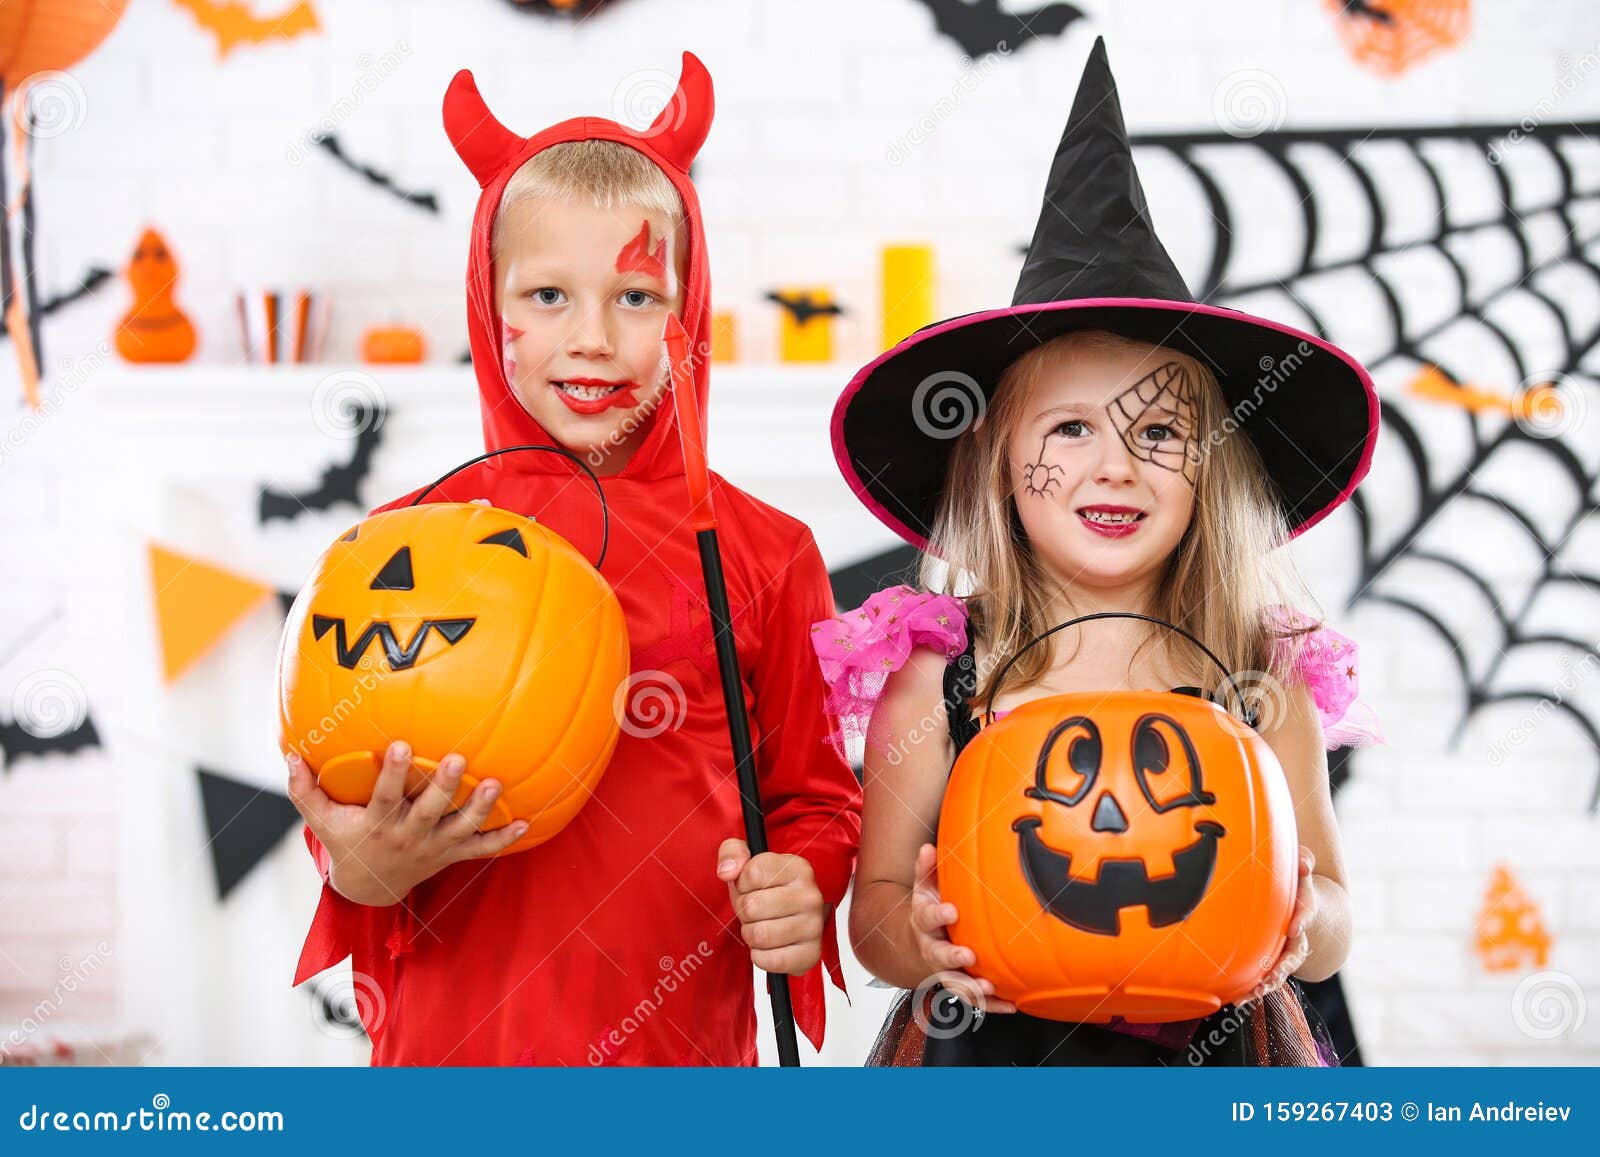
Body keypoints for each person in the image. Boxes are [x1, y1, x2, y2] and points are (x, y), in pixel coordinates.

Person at [285, 53, 861, 1066]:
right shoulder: (402, 548)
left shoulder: (768, 553)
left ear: (690, 309)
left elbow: (814, 797)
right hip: (454, 1062)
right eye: (546, 295)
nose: (591, 338)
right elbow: (342, 802)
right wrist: (363, 864)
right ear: (485, 300)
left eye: (636, 297)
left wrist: (806, 877)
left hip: (679, 1058)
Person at [816, 38, 1381, 1067]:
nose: (1112, 466)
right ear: (996, 464)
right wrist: (923, 936)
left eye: (1158, 433)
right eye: (1068, 430)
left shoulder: (1257, 670)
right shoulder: (945, 672)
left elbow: (1333, 900)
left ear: (1209, 467)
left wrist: (1307, 922)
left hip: (1213, 1060)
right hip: (988, 1068)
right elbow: (876, 918)